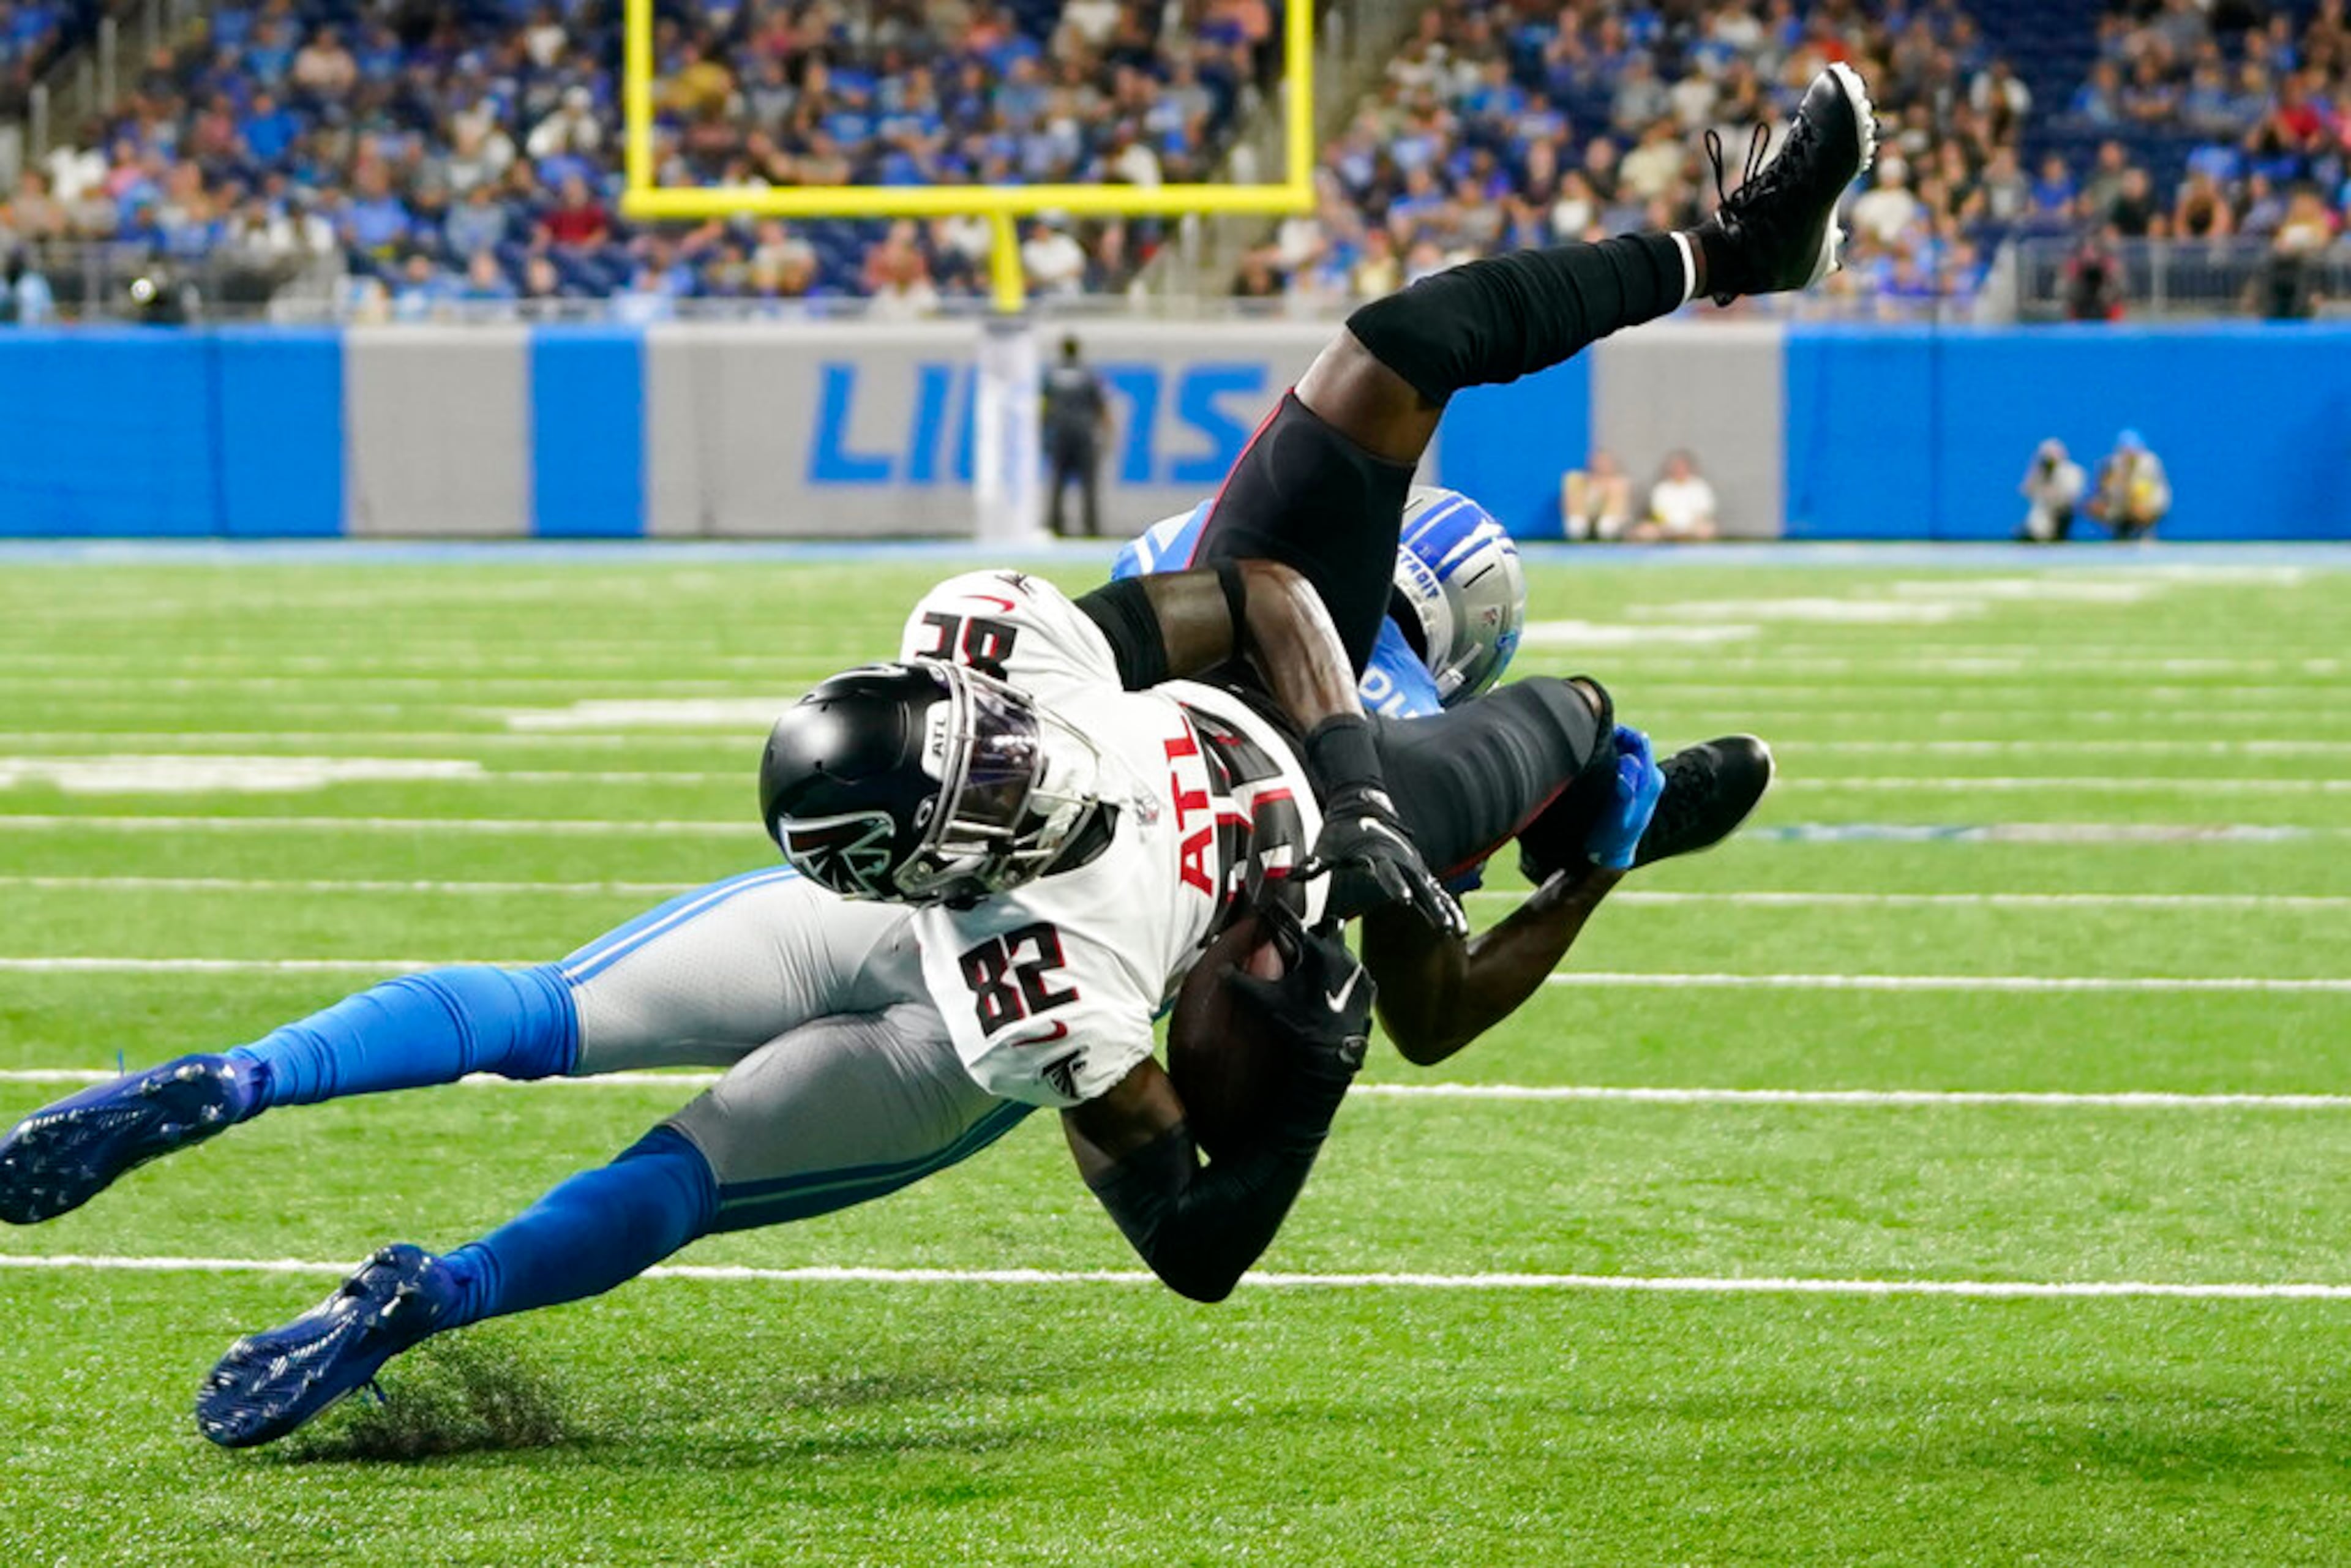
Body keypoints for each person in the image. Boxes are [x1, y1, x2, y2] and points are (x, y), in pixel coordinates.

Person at [1, 61, 1869, 1444]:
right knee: (650, 1125)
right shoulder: (1051, 838)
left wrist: (1327, 968)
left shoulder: (1049, 811)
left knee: (564, 1035)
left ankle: (295, 1127)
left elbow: (1296, 717)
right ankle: (370, 1220)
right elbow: (1278, 644)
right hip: (1049, 941)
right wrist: (1362, 919)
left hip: (1122, 906)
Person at [1041, 334, 1109, 538]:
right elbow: (1102, 407)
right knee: (1088, 484)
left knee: (1057, 483)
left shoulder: (1052, 374)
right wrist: (1107, 434)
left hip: (1060, 435)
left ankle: (1056, 526)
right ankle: (1091, 527)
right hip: (1084, 435)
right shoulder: (1089, 374)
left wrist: (1042, 431)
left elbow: (1044, 406)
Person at [2087, 430, 2170, 541]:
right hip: (2121, 507)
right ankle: (2119, 530)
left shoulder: (2149, 464)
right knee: (2096, 507)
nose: (2129, 455)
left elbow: (2149, 494)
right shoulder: (2113, 463)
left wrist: (2142, 507)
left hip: (2146, 505)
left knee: (2140, 509)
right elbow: (2103, 490)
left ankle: (2144, 533)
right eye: (2125, 451)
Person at [1630, 450, 1719, 541]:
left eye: (1682, 466)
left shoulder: (1700, 486)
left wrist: (1692, 527)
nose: (1679, 470)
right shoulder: (1662, 488)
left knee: (1708, 529)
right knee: (1643, 531)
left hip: (1693, 527)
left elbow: (1705, 511)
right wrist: (1667, 527)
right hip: (1666, 529)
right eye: (1676, 467)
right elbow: (1658, 512)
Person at [2016, 438, 2087, 542]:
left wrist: (2054, 482)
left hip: (2061, 514)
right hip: (2041, 514)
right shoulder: (2039, 472)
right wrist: (2037, 472)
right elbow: (2026, 491)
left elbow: (2070, 497)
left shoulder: (2072, 472)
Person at [1563, 451, 1635, 541]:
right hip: (1587, 518)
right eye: (1599, 462)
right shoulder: (1578, 480)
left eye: (1605, 462)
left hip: (1610, 521)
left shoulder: (1619, 484)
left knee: (1607, 526)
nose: (1601, 465)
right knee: (1576, 525)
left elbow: (1618, 510)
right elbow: (1572, 506)